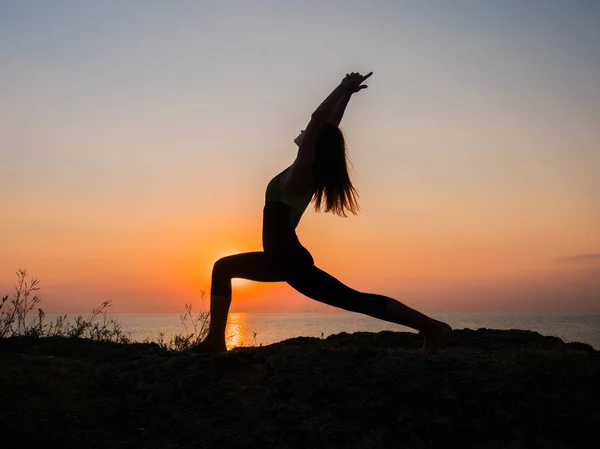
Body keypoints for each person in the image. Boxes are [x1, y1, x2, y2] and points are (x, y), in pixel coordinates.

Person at [188, 71, 451, 354]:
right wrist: (347, 96)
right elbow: (327, 127)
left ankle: (433, 328)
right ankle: (433, 328)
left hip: (288, 260)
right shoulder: (304, 173)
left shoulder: (300, 175)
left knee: (355, 300)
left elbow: (318, 122)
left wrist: (340, 88)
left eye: (308, 134)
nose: (303, 132)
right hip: (284, 258)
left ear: (313, 146)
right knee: (353, 299)